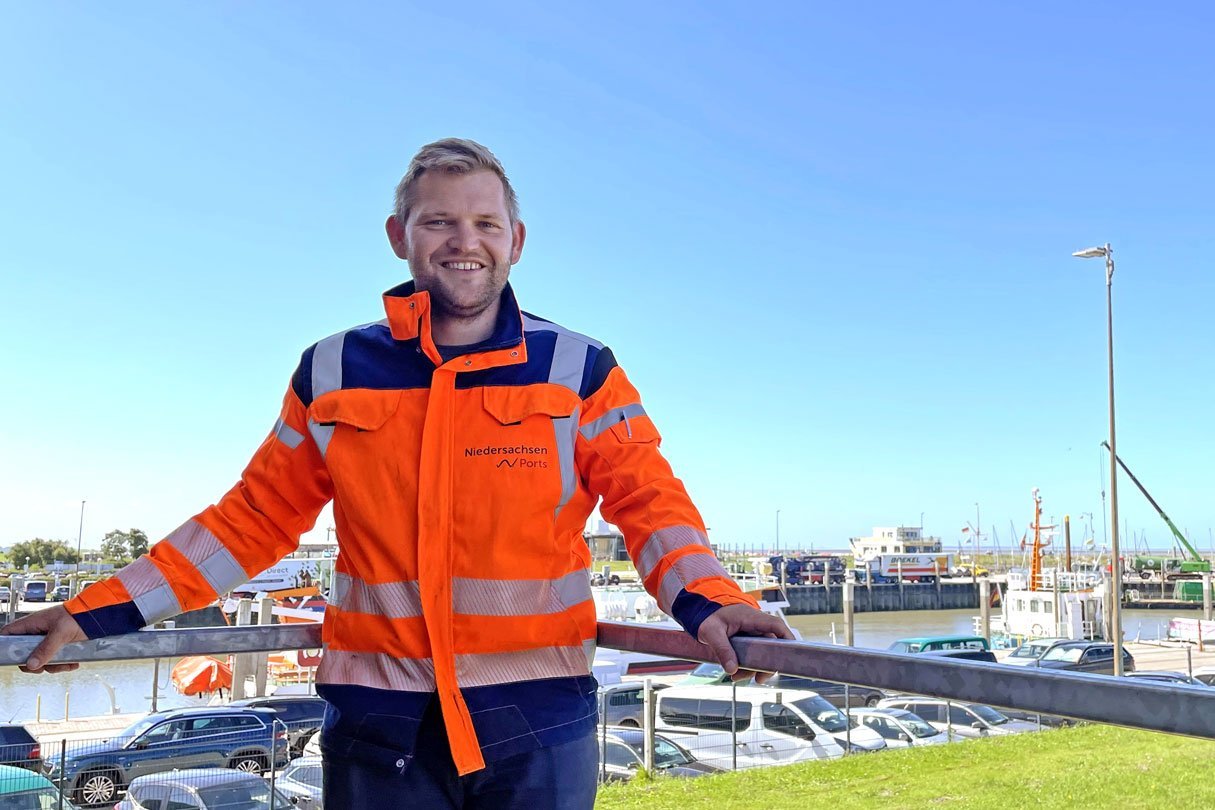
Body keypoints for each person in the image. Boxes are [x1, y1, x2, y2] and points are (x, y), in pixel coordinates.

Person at [2, 138, 793, 808]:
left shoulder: (578, 368)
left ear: (516, 239)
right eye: (438, 221)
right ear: (398, 235)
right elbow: (251, 520)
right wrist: (95, 612)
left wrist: (711, 600)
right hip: (380, 722)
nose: (463, 240)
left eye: (485, 222)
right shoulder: (332, 368)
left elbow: (647, 500)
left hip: (536, 720)